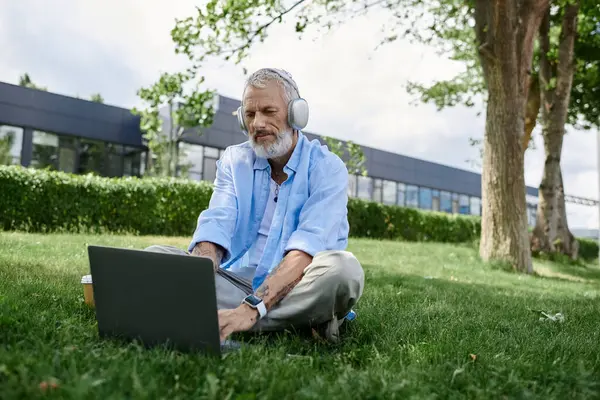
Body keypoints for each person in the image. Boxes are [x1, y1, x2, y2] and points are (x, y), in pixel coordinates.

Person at [146, 68, 365, 343]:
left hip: (299, 282)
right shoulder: (233, 160)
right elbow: (217, 223)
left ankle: (229, 318)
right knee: (156, 257)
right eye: (249, 115)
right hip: (237, 282)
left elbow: (306, 248)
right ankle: (301, 321)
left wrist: (251, 310)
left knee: (343, 271)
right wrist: (197, 275)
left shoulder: (327, 167)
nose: (257, 123)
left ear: (296, 115)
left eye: (268, 111)